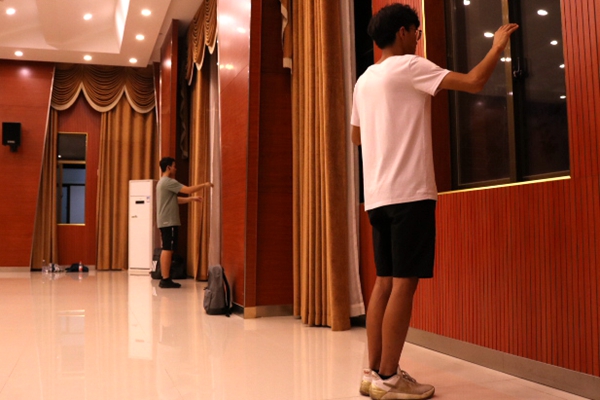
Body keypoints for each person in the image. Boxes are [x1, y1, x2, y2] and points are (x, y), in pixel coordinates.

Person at [351, 4, 518, 399]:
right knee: (404, 284)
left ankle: (373, 373)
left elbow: (357, 136)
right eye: (417, 31)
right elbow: (475, 81)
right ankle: (389, 378)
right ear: (403, 32)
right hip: (410, 193)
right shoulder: (410, 67)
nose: (418, 38)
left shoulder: (365, 79)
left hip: (376, 197)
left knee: (384, 282)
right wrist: (497, 46)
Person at [156, 157, 212, 289]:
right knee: (167, 249)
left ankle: (165, 278)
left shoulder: (162, 182)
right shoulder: (168, 181)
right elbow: (188, 189)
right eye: (174, 166)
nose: (175, 169)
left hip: (165, 220)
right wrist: (204, 185)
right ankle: (165, 279)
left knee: (167, 248)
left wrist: (192, 199)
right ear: (168, 167)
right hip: (168, 221)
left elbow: (175, 200)